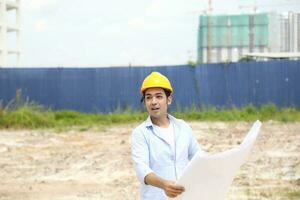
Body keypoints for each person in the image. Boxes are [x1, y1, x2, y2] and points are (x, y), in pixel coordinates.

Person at [131, 71, 203, 199]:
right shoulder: (140, 133)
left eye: (159, 96)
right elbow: (142, 170)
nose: (153, 102)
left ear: (168, 99)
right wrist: (164, 185)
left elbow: (198, 157)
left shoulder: (183, 127)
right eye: (148, 97)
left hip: (184, 196)